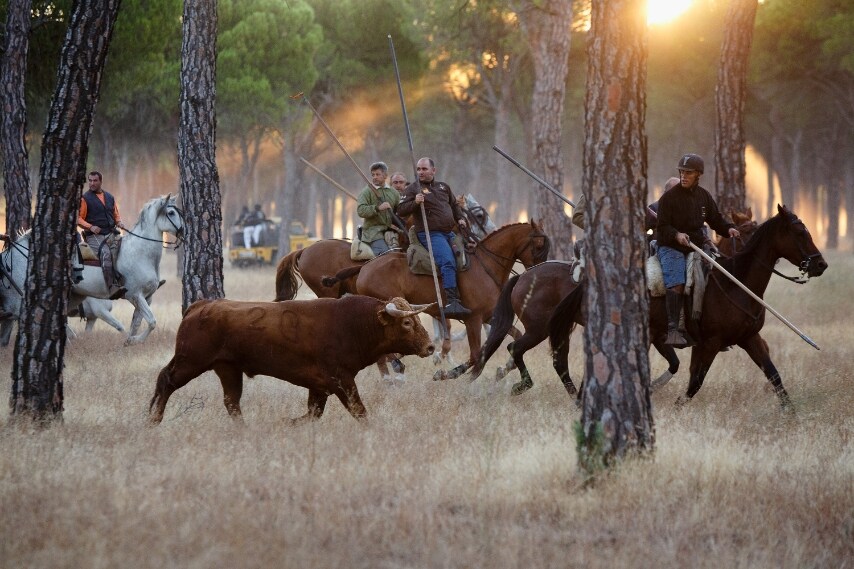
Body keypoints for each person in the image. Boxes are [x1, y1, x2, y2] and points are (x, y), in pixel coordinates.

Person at [656, 154, 739, 347]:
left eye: (689, 173)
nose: (684, 176)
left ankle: (710, 328)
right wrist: (676, 235)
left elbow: (715, 219)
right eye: (682, 172)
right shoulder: (668, 198)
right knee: (677, 280)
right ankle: (673, 330)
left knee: (714, 278)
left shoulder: (704, 196)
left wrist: (728, 229)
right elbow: (662, 227)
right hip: (670, 247)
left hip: (696, 247)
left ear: (698, 175)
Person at [397, 157, 471, 318]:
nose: (420, 172)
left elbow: (454, 205)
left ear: (433, 170)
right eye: (418, 169)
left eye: (424, 169)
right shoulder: (413, 189)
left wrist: (460, 218)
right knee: (447, 261)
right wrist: (415, 202)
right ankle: (452, 302)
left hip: (449, 233)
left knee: (469, 255)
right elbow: (401, 210)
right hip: (430, 234)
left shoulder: (443, 187)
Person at [77, 171, 127, 300]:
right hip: (93, 236)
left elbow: (116, 214)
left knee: (126, 249)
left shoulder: (110, 197)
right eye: (90, 180)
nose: (92, 183)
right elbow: (78, 218)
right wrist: (90, 227)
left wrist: (119, 222)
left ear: (101, 181)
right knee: (106, 253)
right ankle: (111, 288)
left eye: (95, 181)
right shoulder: (85, 198)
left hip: (111, 233)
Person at [356, 161, 400, 255]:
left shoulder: (394, 193)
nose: (375, 177)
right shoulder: (366, 192)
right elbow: (360, 210)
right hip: (372, 233)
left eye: (377, 174)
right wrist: (377, 208)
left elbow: (399, 212)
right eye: (373, 175)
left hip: (390, 231)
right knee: (386, 255)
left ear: (385, 176)